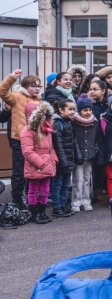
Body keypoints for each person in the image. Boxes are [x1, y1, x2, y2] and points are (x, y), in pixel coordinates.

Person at [0, 69, 42, 210]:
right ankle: (17, 199)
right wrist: (12, 77)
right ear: (25, 87)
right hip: (19, 139)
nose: (37, 88)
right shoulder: (17, 97)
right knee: (19, 171)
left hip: (35, 140)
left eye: (39, 86)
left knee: (31, 171)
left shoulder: (40, 100)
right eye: (33, 86)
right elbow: (3, 91)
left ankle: (30, 197)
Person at [20, 101, 57, 224]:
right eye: (40, 115)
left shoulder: (46, 129)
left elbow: (50, 148)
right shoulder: (27, 131)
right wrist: (41, 163)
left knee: (45, 190)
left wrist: (54, 159)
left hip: (47, 165)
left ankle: (42, 212)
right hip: (36, 165)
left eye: (44, 115)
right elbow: (27, 151)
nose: (43, 118)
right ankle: (35, 213)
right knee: (33, 189)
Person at [51, 99, 81, 217]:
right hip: (61, 162)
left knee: (65, 185)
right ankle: (57, 207)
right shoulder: (58, 124)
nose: (73, 111)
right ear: (61, 110)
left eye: (74, 109)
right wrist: (63, 162)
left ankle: (63, 206)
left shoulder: (69, 122)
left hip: (68, 161)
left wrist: (77, 156)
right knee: (57, 185)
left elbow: (74, 142)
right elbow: (58, 145)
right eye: (70, 109)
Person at [71, 93, 99, 212]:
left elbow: (97, 138)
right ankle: (76, 202)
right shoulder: (73, 122)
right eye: (84, 110)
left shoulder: (95, 122)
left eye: (89, 110)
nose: (88, 112)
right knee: (78, 179)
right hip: (78, 155)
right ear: (79, 110)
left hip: (90, 155)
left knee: (87, 179)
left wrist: (95, 149)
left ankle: (86, 200)